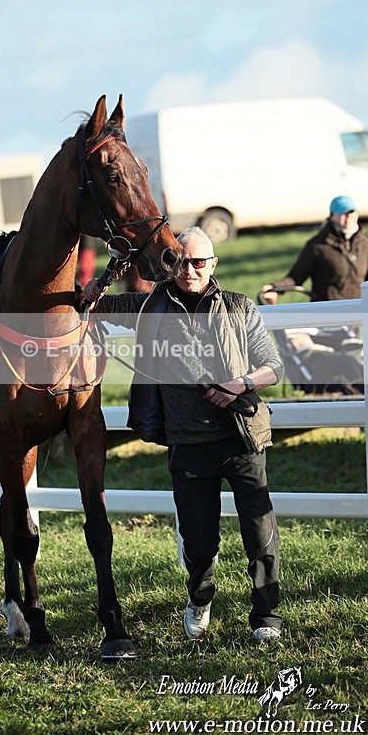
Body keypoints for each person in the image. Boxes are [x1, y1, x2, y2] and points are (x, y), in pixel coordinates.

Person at [82, 226, 284, 641]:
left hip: (241, 437)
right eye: (182, 262)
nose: (190, 269)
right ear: (171, 265)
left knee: (260, 536)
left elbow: (273, 366)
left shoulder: (239, 306)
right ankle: (200, 596)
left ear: (213, 264)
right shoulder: (152, 306)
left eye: (198, 262)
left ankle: (266, 617)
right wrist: (90, 290)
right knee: (198, 542)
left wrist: (240, 384)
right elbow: (102, 304)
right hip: (188, 444)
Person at [260, 195, 368, 304]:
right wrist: (275, 288)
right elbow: (295, 277)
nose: (348, 217)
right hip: (327, 315)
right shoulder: (316, 246)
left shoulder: (366, 245)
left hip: (358, 316)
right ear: (332, 216)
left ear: (357, 214)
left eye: (351, 212)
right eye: (342, 213)